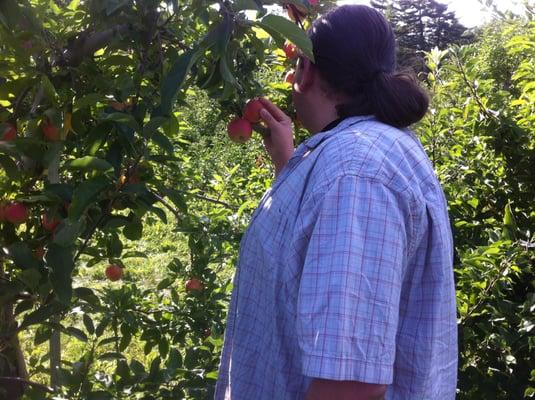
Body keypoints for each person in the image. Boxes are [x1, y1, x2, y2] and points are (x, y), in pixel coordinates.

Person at [214, 5, 457, 400]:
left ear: (305, 70)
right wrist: (289, 165)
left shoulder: (355, 174)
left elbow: (350, 385)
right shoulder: (363, 153)